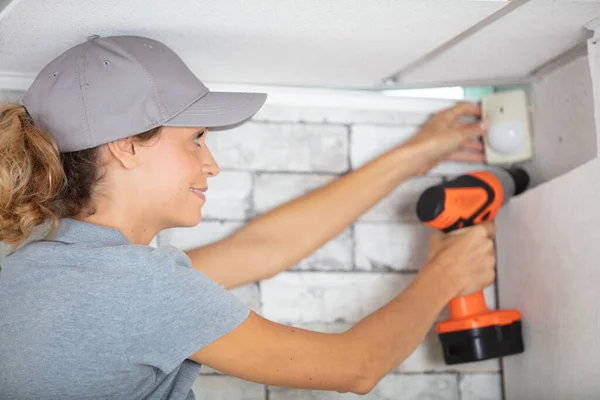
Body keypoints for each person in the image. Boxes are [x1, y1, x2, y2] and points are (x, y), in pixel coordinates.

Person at [0, 35, 496, 400]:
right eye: (195, 138)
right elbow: (357, 367)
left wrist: (416, 154)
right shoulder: (137, 288)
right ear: (126, 147)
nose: (210, 163)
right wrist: (447, 275)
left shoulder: (34, 272)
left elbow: (263, 249)